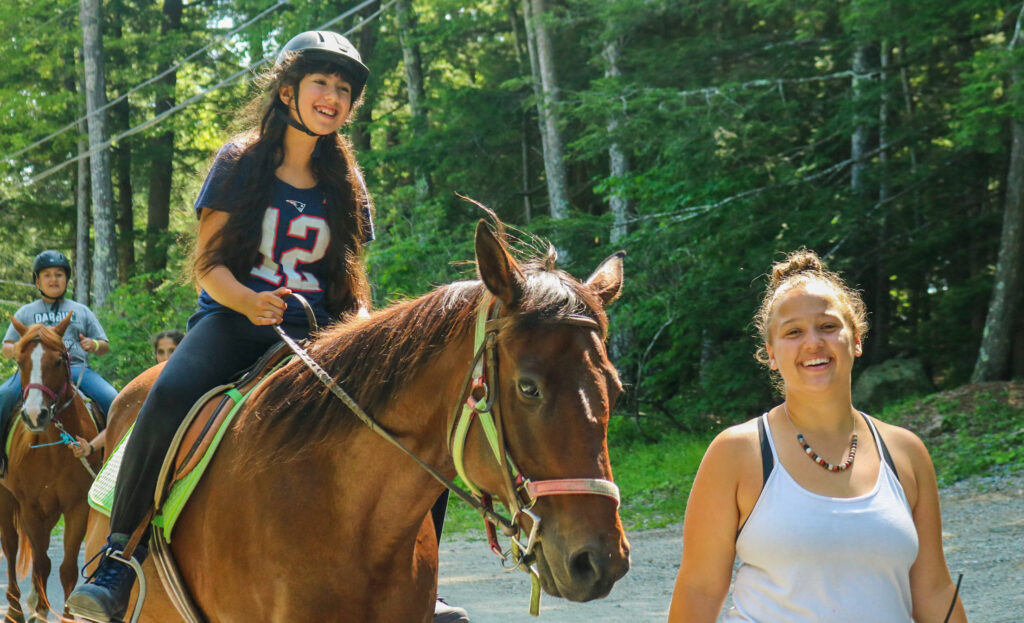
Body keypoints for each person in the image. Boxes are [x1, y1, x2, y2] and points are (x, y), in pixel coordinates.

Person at [67, 30, 467, 623]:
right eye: (320, 83)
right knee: (167, 399)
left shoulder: (347, 182)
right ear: (287, 92)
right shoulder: (240, 161)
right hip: (237, 319)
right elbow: (208, 266)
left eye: (343, 89)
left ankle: (418, 581)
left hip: (326, 332)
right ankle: (117, 560)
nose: (332, 96)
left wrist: (361, 327)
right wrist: (249, 303)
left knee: (413, 421)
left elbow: (352, 275)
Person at [668, 249, 967, 622]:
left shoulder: (906, 452)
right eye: (793, 332)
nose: (812, 342)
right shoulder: (737, 452)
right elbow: (699, 590)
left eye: (828, 326)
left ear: (855, 340)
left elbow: (934, 589)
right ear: (771, 354)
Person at [0, 250, 117, 475]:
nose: (53, 279)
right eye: (47, 275)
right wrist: (18, 349)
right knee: (3, 397)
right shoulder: (26, 311)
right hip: (34, 374)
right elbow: (7, 346)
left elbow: (104, 345)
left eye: (59, 275)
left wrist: (93, 344)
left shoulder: (81, 311)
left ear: (67, 279)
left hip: (74, 370)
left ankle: (114, 458)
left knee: (113, 399)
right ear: (37, 281)